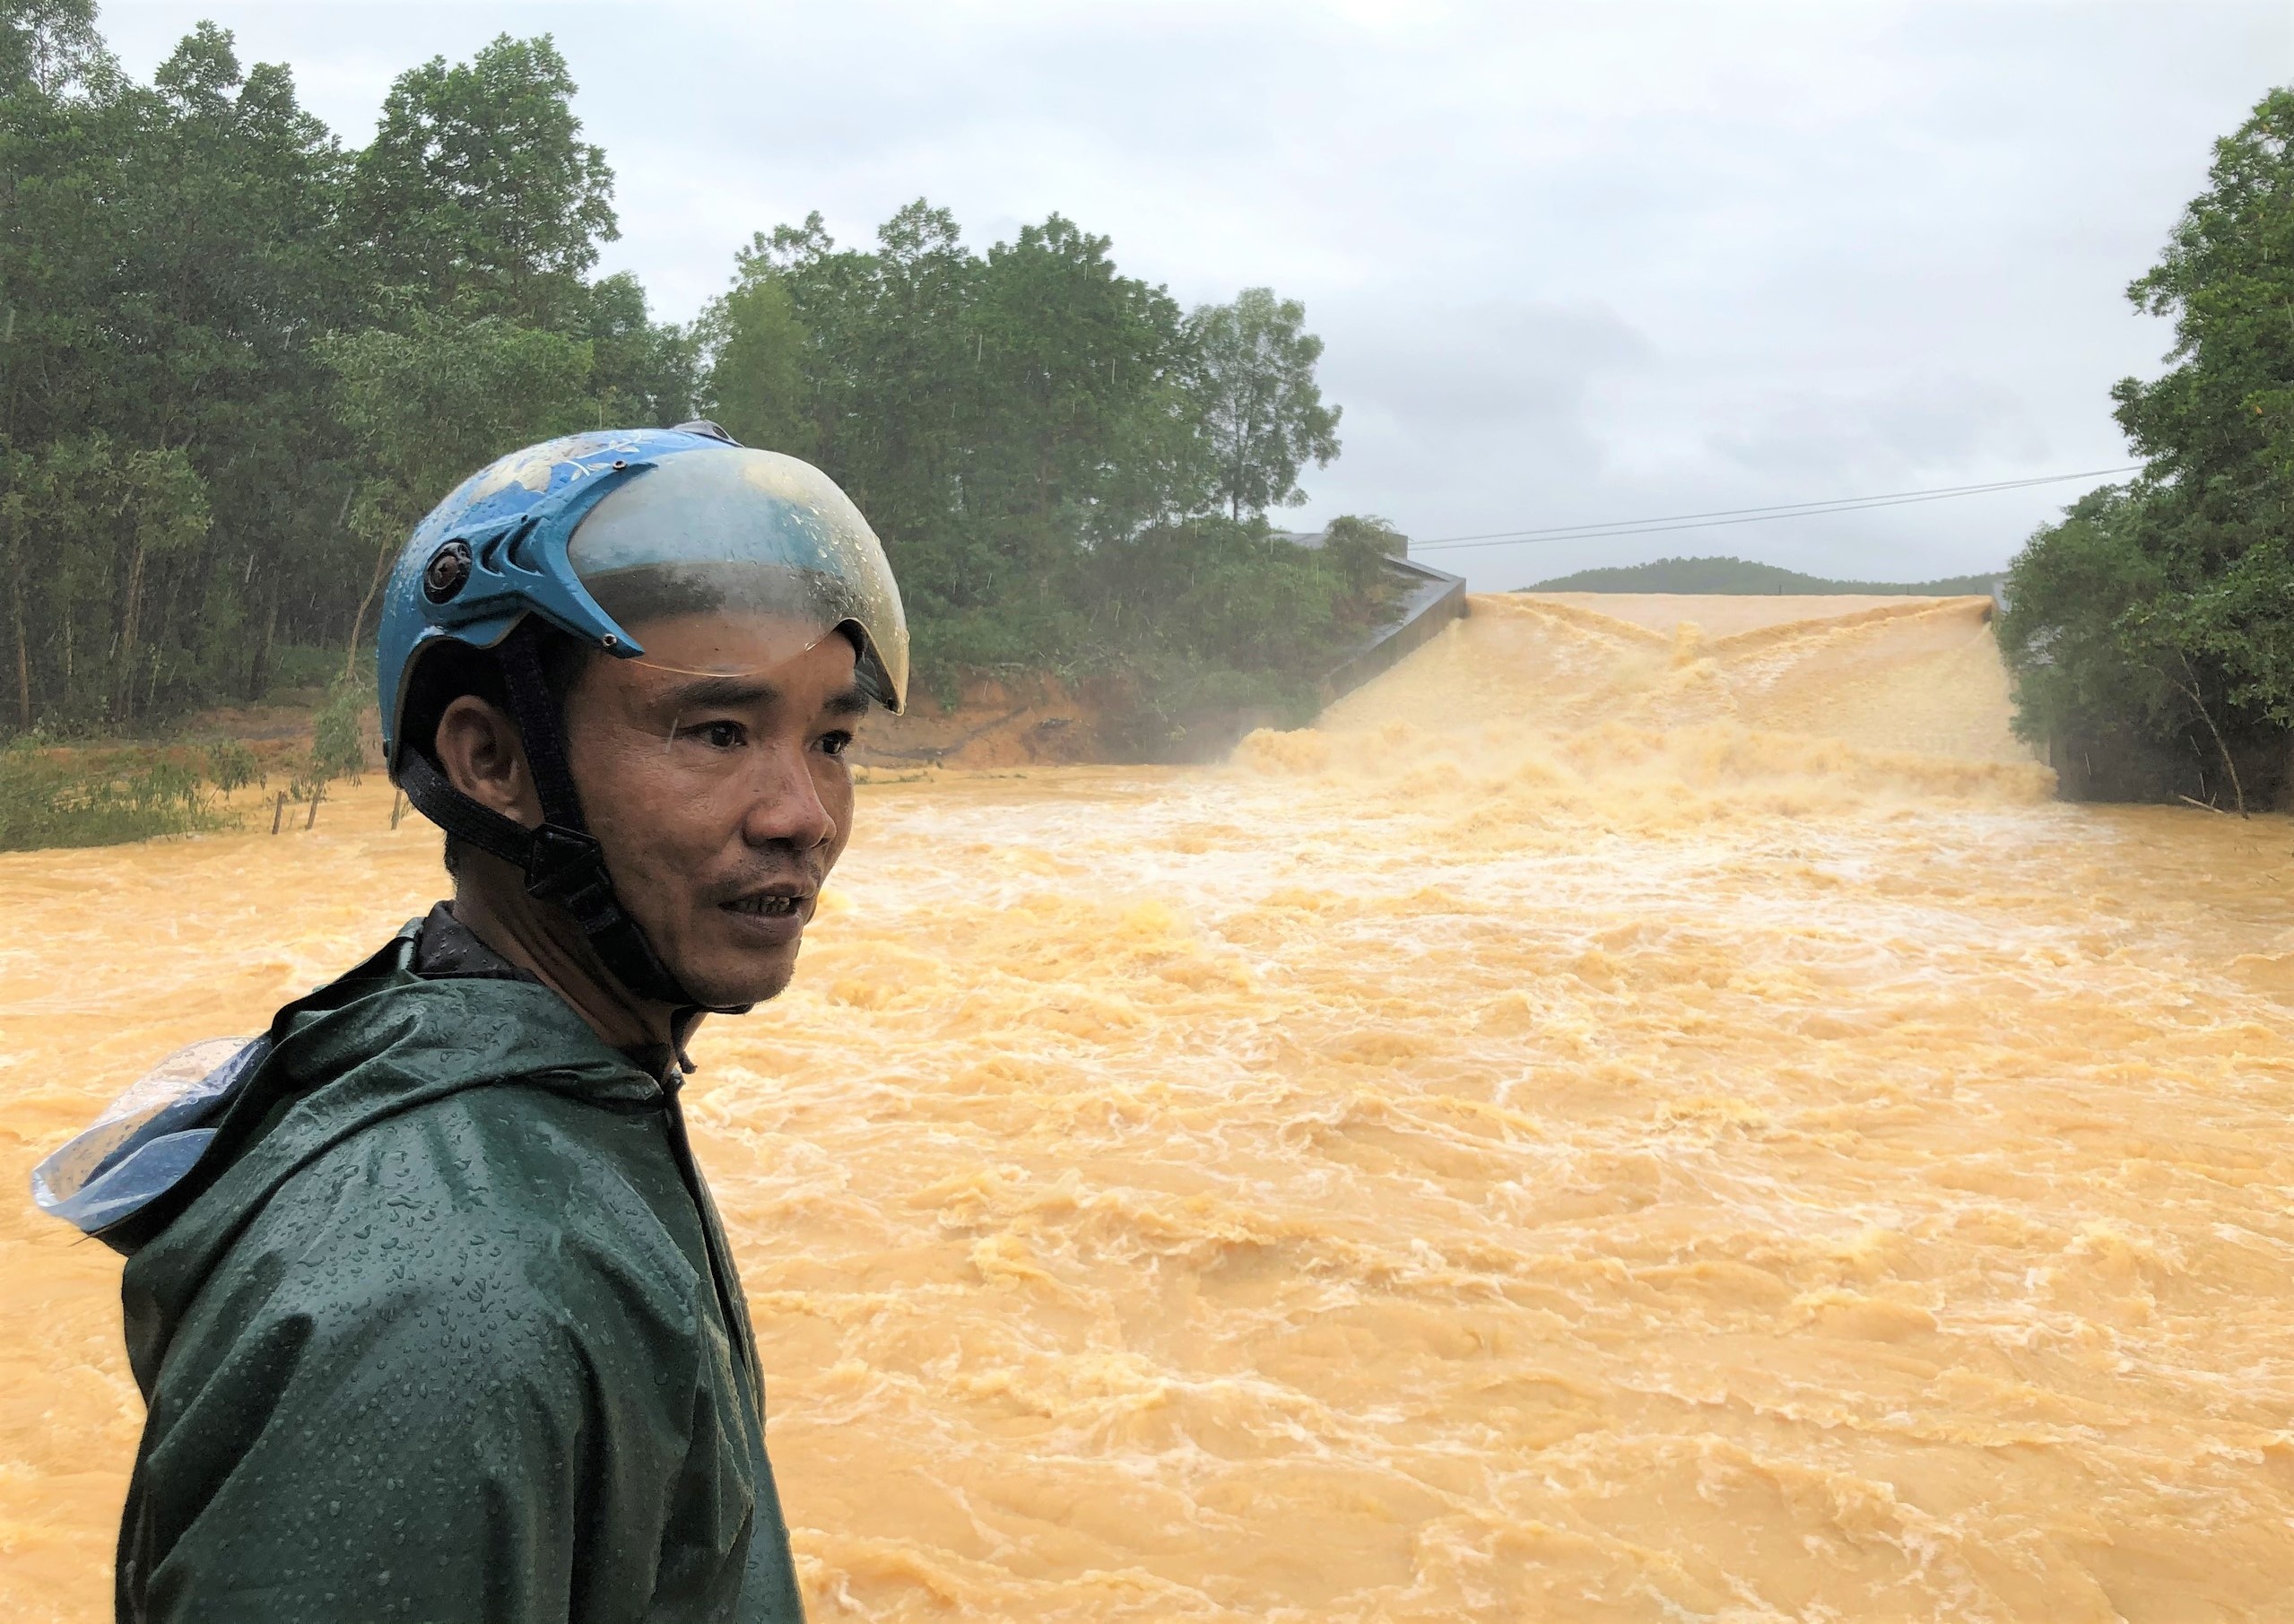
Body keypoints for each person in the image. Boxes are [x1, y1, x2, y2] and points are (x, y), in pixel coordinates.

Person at [31, 422, 908, 1623]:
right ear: (493, 762)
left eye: (832, 740)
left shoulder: (572, 1086)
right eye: (716, 732)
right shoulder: (439, 1302)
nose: (802, 814)